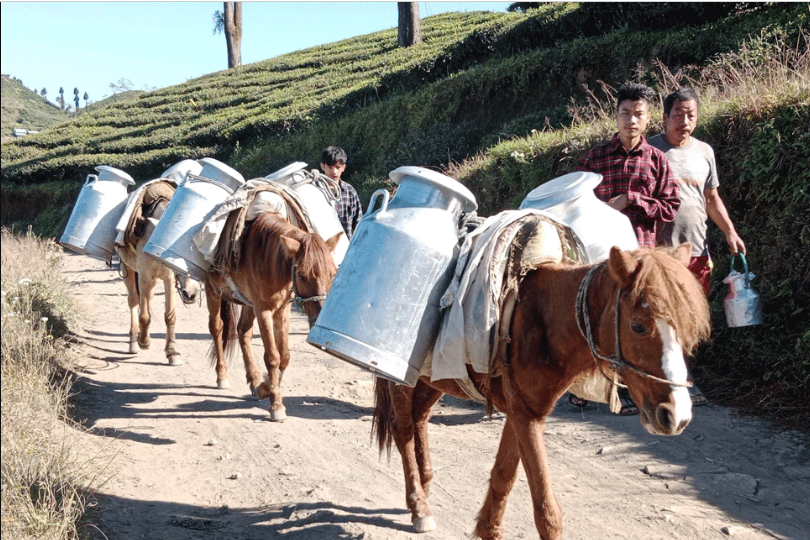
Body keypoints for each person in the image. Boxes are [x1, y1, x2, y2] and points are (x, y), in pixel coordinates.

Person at [570, 83, 681, 415]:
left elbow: (671, 206)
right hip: (599, 255)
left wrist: (634, 200)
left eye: (638, 114)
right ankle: (583, 388)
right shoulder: (595, 158)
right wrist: (603, 208)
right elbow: (577, 203)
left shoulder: (657, 160)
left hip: (641, 260)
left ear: (648, 120)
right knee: (593, 318)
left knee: (635, 323)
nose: (631, 120)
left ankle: (631, 390)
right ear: (615, 116)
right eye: (625, 113)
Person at [648, 88, 747, 406]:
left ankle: (683, 381)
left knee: (688, 318)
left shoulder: (704, 152)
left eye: (691, 114)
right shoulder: (649, 150)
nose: (684, 120)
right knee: (659, 319)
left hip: (697, 252)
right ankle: (662, 382)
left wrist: (730, 232)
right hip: (658, 254)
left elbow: (712, 199)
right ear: (664, 117)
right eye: (678, 114)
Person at [320, 146, 363, 240]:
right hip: (323, 249)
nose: (334, 171)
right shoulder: (315, 191)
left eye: (338, 167)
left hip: (347, 249)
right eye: (330, 167)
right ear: (322, 166)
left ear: (343, 167)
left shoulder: (350, 192)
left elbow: (358, 224)